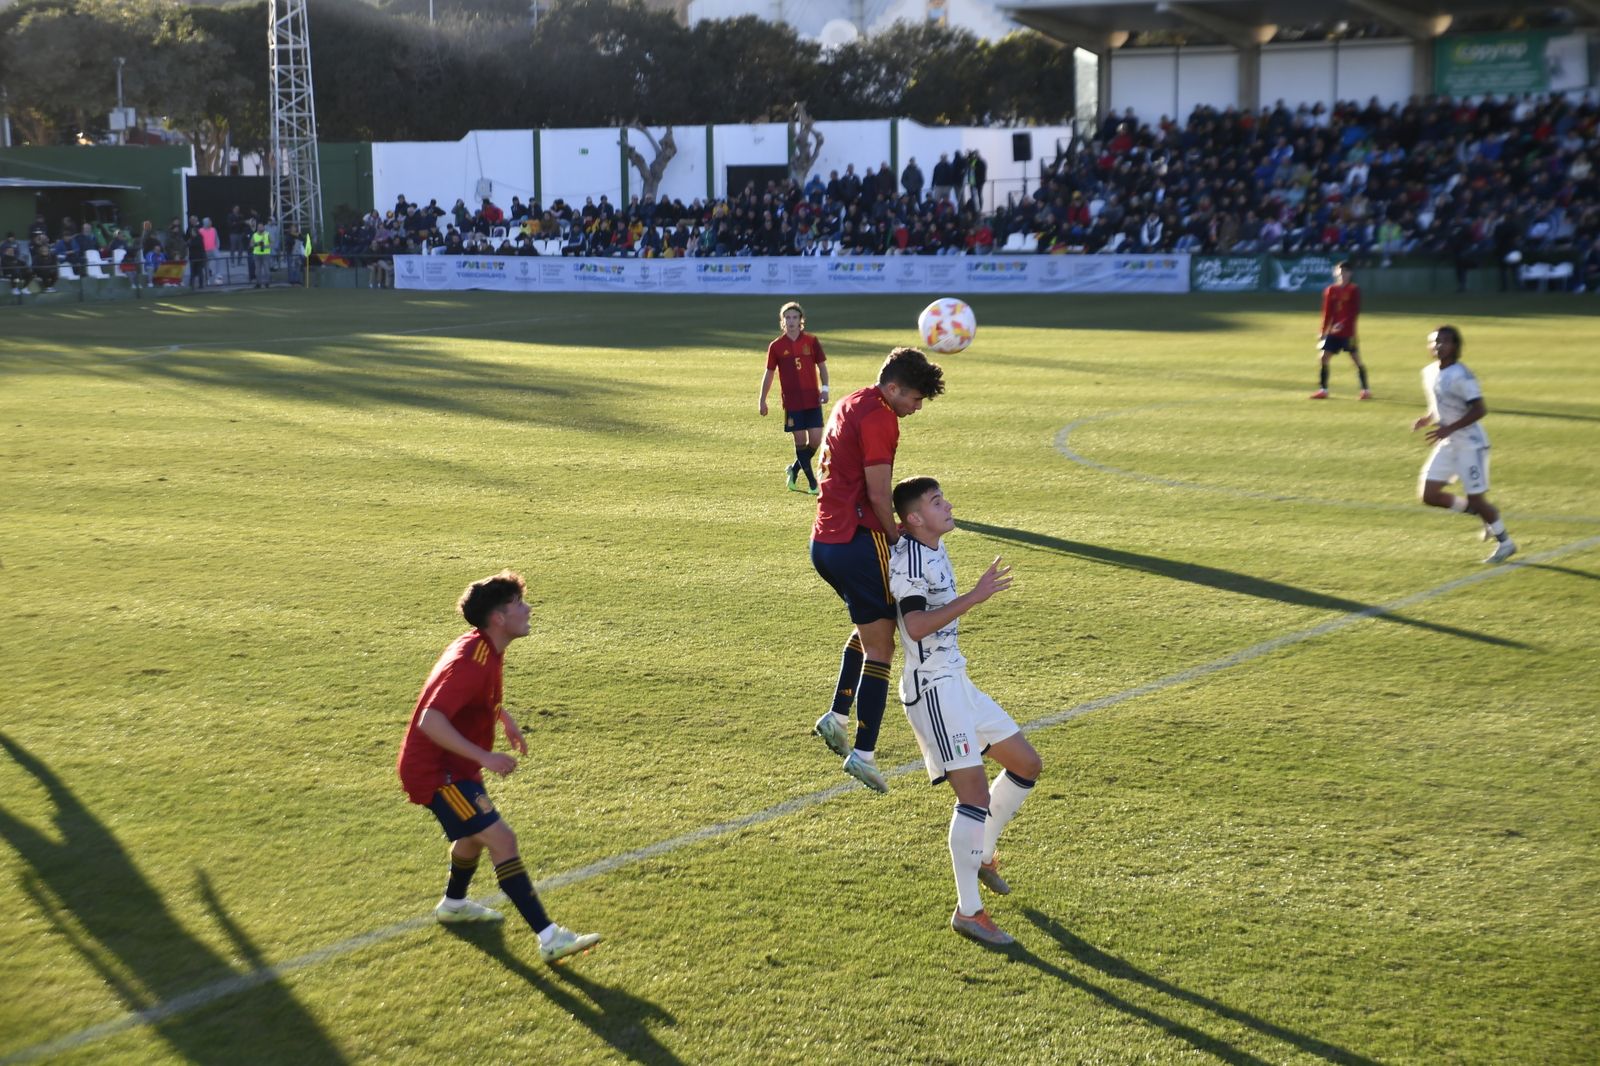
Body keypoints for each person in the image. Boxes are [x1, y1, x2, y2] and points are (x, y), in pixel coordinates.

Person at [396, 571, 602, 963]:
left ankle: (453, 905)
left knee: (473, 835)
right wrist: (485, 757)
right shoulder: (470, 662)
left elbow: (474, 697)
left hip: (456, 767)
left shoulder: (484, 648)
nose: (528, 610)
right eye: (519, 605)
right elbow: (431, 721)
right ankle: (549, 937)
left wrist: (501, 716)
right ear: (499, 618)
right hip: (438, 773)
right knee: (501, 840)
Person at [888, 477, 1041, 946]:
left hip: (958, 682)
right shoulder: (910, 561)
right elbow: (913, 626)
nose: (948, 505)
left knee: (1026, 765)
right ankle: (969, 912)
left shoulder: (929, 545)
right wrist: (974, 597)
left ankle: (985, 853)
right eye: (936, 502)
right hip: (934, 692)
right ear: (915, 519)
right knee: (973, 799)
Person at [810, 347, 946, 793]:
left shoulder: (852, 401)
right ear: (893, 388)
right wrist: (895, 535)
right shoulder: (881, 417)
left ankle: (836, 717)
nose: (917, 406)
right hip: (857, 540)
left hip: (825, 542)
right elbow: (877, 492)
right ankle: (863, 755)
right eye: (915, 397)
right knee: (883, 648)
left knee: (874, 627)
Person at [1411, 326, 1516, 564]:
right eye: (1435, 341)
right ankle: (1485, 517)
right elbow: (1438, 404)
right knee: (1428, 494)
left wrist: (1449, 428)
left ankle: (1505, 542)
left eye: (1445, 341)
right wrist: (1427, 419)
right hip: (1448, 443)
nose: (1439, 345)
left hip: (1471, 445)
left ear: (1456, 346)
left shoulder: (1462, 375)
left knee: (1478, 500)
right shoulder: (1428, 372)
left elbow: (1480, 409)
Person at [758, 301, 831, 494]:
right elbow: (769, 373)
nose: (791, 321)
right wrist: (762, 399)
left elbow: (822, 367)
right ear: (782, 321)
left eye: (794, 317)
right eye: (787, 317)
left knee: (815, 441)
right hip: (792, 403)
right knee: (800, 441)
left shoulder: (812, 342)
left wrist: (825, 389)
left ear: (801, 320)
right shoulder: (776, 346)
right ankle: (813, 483)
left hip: (812, 400)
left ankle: (794, 469)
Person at [1310, 261, 1370, 400]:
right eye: (1340, 272)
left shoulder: (1354, 290)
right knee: (1323, 358)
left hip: (1348, 333)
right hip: (1333, 332)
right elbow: (1327, 312)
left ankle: (1365, 390)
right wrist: (1323, 331)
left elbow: (1354, 311)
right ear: (1335, 273)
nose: (1342, 274)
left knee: (1355, 359)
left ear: (1350, 274)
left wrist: (1342, 324)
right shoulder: (1331, 290)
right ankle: (1323, 390)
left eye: (1345, 272)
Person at [249, 219, 272, 288]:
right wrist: (257, 244)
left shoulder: (267, 234)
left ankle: (267, 283)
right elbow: (251, 245)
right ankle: (258, 283)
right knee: (257, 270)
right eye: (259, 227)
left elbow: (272, 243)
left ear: (263, 227)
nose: (260, 228)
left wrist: (266, 246)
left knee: (266, 269)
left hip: (265, 254)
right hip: (257, 254)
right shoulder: (254, 235)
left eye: (261, 227)